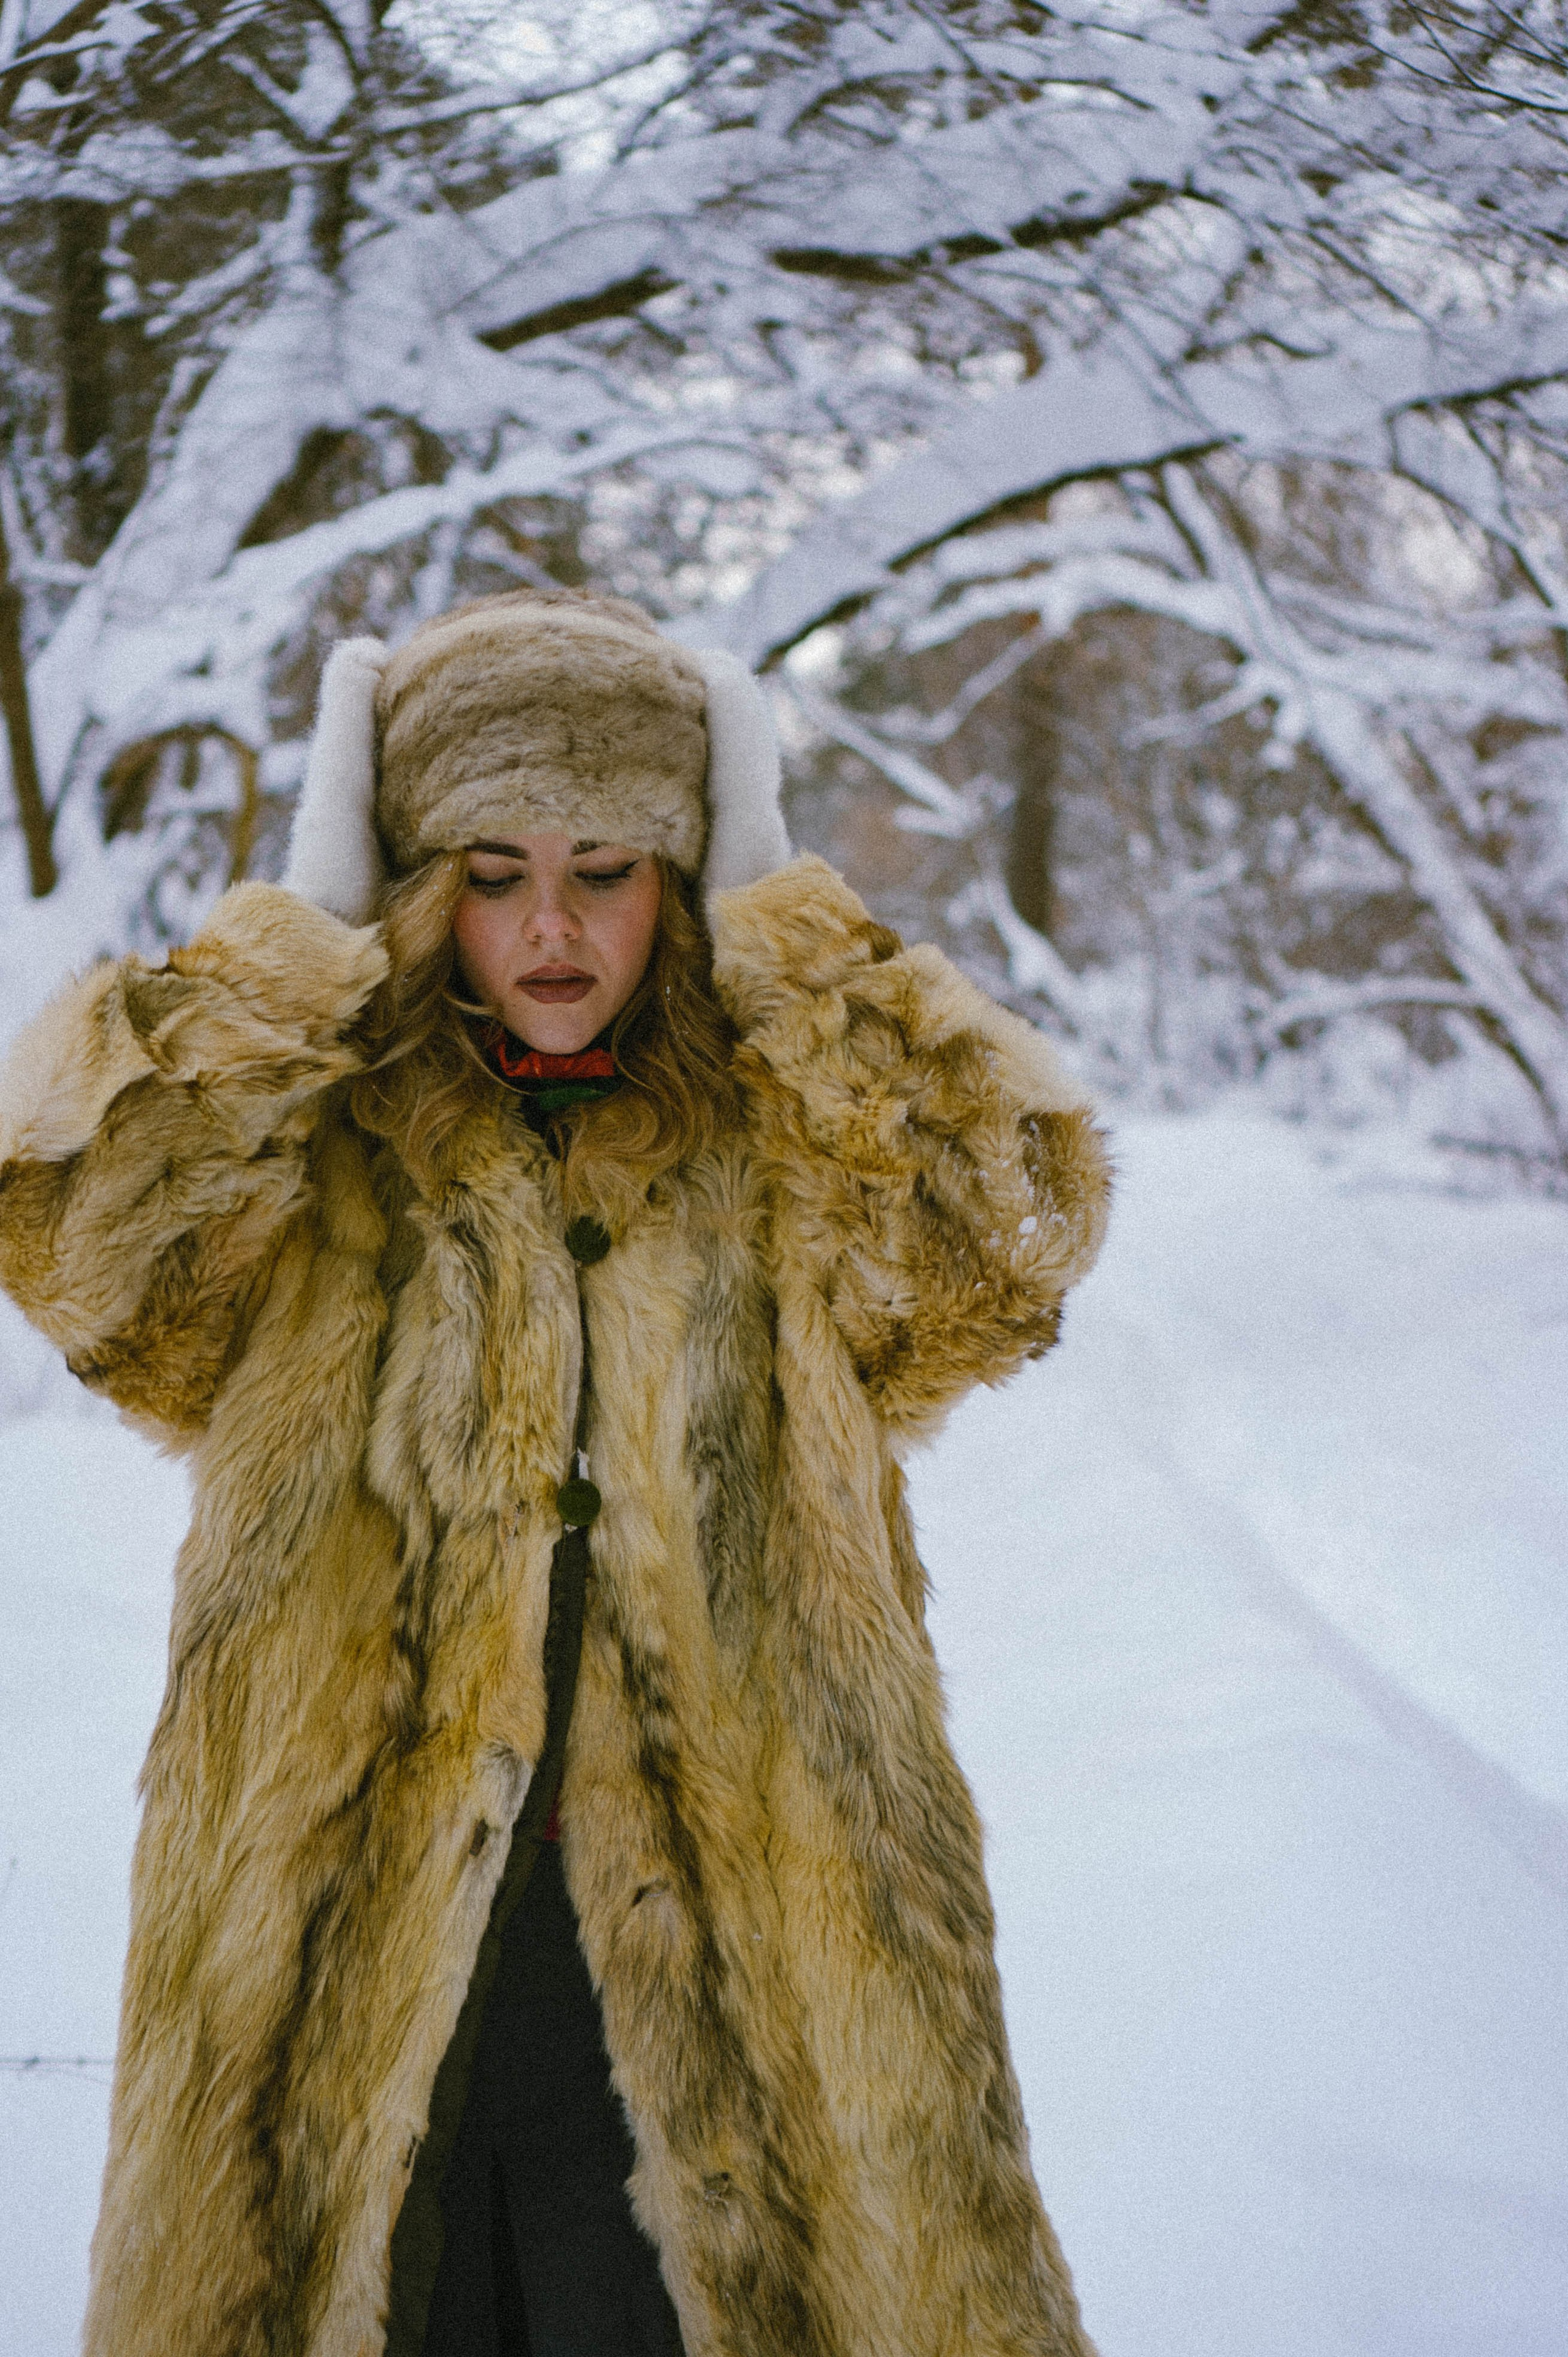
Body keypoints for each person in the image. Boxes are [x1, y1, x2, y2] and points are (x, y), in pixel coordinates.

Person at [0, 587, 1111, 2357]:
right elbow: (77, 1248)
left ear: (679, 880)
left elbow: (1009, 1244)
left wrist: (791, 932)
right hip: (351, 1967)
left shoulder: (784, 1140)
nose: (552, 928)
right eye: (493, 872)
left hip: (748, 1955)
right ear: (423, 884)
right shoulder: (316, 1142)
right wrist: (296, 940)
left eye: (608, 870)